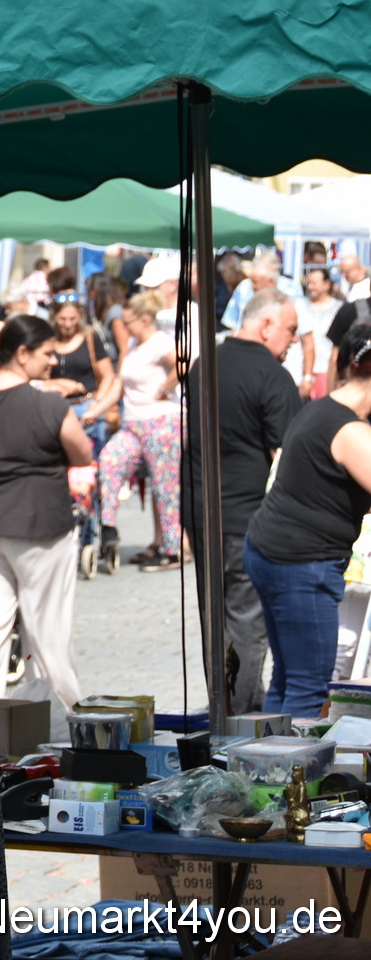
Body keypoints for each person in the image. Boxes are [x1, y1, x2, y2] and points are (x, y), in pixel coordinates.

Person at [0, 314, 94, 706]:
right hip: (38, 526)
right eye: (47, 353)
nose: (53, 361)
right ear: (23, 352)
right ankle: (58, 724)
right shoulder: (48, 405)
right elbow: (82, 452)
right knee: (47, 636)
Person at [243, 321, 371, 717]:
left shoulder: (323, 408)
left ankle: (269, 770)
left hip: (275, 551)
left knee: (287, 677)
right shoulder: (348, 429)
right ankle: (288, 774)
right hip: (300, 562)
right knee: (308, 685)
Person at [183, 289, 300, 714]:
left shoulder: (202, 365)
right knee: (247, 620)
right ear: (265, 325)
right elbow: (285, 458)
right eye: (290, 331)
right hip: (248, 517)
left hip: (202, 513)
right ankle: (241, 715)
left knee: (215, 618)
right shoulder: (272, 376)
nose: (291, 342)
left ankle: (222, 705)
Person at [87, 291, 182, 571]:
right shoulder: (132, 343)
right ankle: (109, 527)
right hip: (133, 423)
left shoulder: (160, 342)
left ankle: (172, 548)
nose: (124, 327)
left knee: (165, 487)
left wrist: (163, 389)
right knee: (110, 461)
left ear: (144, 319)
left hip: (161, 422)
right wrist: (97, 409)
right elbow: (119, 382)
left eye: (128, 322)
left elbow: (182, 365)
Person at [225, 251, 314, 391]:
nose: (252, 286)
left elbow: (307, 341)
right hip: (251, 374)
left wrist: (308, 377)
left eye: (255, 282)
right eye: (251, 280)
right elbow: (234, 329)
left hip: (288, 375)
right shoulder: (244, 289)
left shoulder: (292, 294)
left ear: (271, 282)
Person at [48, 291, 117, 454]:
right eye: (62, 319)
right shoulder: (47, 340)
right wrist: (57, 383)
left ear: (80, 316)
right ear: (54, 317)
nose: (67, 324)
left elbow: (108, 375)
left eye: (72, 319)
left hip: (87, 406)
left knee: (89, 458)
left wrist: (99, 402)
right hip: (54, 407)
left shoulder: (90, 338)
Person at [300, 266, 342, 400]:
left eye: (314, 283)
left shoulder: (340, 308)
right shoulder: (300, 305)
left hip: (328, 370)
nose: (310, 286)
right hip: (303, 372)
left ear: (326, 284)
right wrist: (307, 376)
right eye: (308, 282)